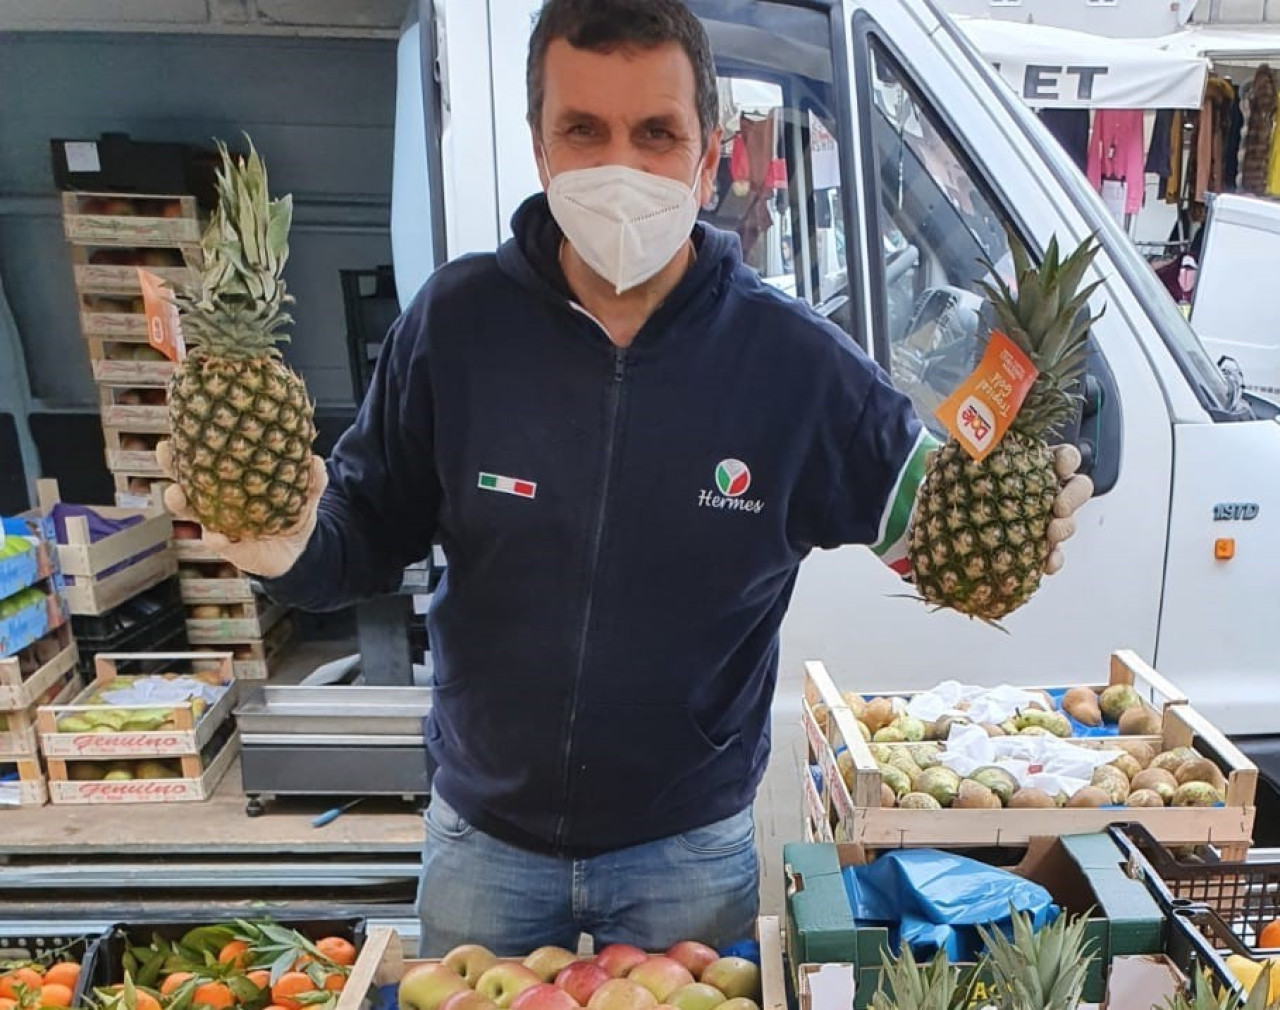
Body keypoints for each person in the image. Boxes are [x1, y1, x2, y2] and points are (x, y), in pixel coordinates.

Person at [159, 0, 1092, 956]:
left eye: (656, 133)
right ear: (540, 148)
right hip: (483, 844)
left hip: (685, 853)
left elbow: (925, 530)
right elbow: (362, 531)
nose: (622, 166)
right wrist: (286, 546)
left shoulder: (796, 364)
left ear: (708, 154)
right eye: (584, 130)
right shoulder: (456, 325)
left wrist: (1020, 515)